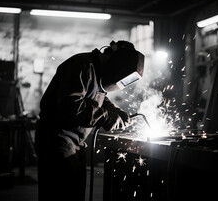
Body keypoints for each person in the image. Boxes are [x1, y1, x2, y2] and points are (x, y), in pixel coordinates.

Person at [35, 40, 144, 201]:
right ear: (114, 58)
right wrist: (107, 117)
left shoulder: (98, 73)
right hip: (57, 140)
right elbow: (71, 106)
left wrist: (117, 111)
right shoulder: (82, 65)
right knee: (60, 195)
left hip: (76, 143)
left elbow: (98, 98)